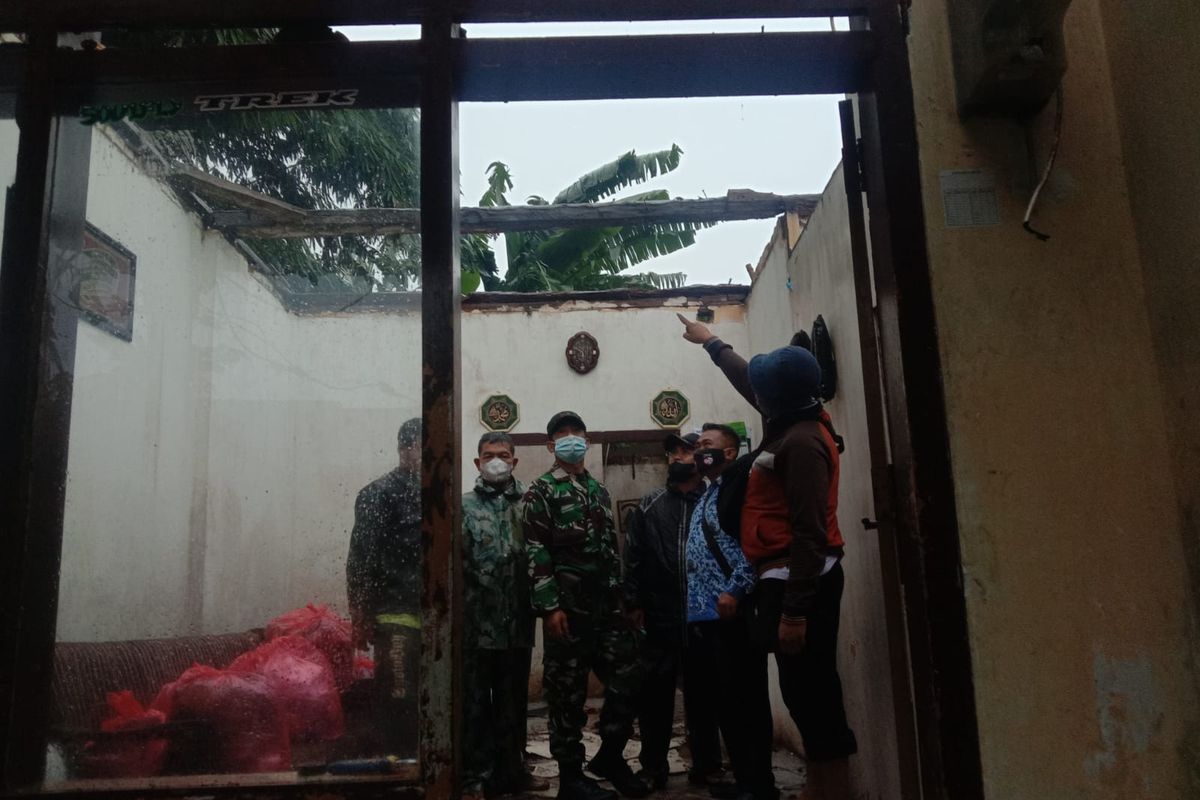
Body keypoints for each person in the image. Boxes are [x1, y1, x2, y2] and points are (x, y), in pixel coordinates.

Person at [677, 314, 858, 800]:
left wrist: (795, 612)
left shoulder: (802, 443)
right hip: (784, 578)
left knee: (812, 690)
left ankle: (832, 789)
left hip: (803, 581)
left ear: (775, 398)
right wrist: (711, 342)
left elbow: (810, 533)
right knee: (801, 689)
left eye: (762, 390)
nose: (755, 394)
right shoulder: (791, 420)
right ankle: (821, 786)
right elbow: (747, 379)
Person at [522, 411, 649, 800]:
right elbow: (535, 549)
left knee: (630, 677)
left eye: (577, 433)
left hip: (607, 609)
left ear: (587, 441)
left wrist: (624, 599)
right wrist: (549, 607)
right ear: (551, 445)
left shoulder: (598, 490)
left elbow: (611, 550)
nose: (571, 439)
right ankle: (571, 778)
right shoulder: (541, 491)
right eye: (562, 434)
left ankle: (610, 757)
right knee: (567, 695)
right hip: (568, 611)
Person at [623, 432, 728, 791]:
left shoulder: (715, 502)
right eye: (672, 452)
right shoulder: (650, 505)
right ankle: (653, 768)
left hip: (704, 617)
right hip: (659, 616)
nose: (677, 457)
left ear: (700, 457)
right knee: (654, 697)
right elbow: (633, 556)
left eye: (686, 450)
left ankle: (708, 766)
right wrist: (633, 602)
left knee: (704, 694)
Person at [686, 423, 778, 800]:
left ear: (729, 452)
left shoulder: (741, 488)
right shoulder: (710, 491)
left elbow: (753, 545)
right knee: (726, 701)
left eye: (706, 445)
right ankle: (744, 780)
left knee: (747, 700)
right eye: (697, 445)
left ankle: (760, 785)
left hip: (733, 611)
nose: (698, 451)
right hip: (708, 617)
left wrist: (736, 589)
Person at [462, 432, 550, 799]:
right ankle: (475, 777)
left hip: (517, 625)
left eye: (503, 454)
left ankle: (513, 772)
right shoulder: (463, 507)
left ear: (514, 461)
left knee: (513, 705)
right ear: (477, 462)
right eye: (488, 455)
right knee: (474, 705)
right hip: (475, 627)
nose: (496, 461)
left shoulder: (530, 504)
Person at [346, 417, 423, 755]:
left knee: (430, 697)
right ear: (404, 449)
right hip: (395, 617)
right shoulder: (378, 494)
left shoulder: (439, 493)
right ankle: (399, 766)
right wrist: (360, 613)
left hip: (435, 617)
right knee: (398, 696)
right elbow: (361, 558)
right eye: (421, 447)